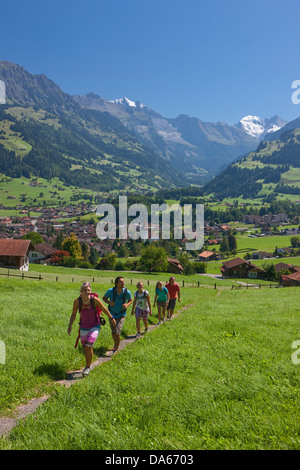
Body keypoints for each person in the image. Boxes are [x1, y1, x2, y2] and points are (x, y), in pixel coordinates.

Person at [68, 282, 116, 377]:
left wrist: (111, 318)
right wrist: (70, 325)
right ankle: (88, 362)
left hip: (95, 326)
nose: (87, 292)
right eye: (85, 290)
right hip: (83, 327)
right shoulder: (77, 302)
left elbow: (103, 309)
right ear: (81, 291)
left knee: (89, 345)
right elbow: (73, 314)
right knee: (86, 348)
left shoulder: (94, 300)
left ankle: (88, 367)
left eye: (88, 290)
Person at [103, 276, 132, 354]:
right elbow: (104, 298)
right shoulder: (111, 291)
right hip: (111, 314)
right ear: (116, 284)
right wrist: (109, 302)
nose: (123, 283)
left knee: (117, 331)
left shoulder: (127, 292)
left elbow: (131, 300)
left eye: (123, 281)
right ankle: (115, 344)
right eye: (121, 282)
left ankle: (116, 349)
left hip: (121, 314)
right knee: (113, 332)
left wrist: (127, 305)